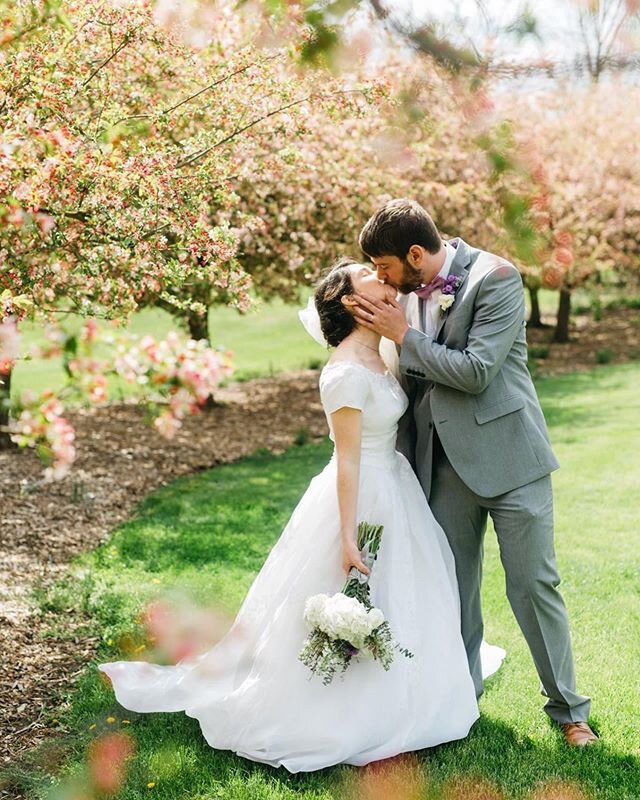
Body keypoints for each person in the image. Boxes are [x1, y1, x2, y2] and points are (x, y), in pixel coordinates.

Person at [99, 256, 493, 772]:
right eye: (369, 276)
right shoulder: (345, 373)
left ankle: (416, 690)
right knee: (355, 590)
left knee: (410, 591)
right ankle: (339, 705)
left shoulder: (385, 354)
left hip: (397, 489)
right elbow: (347, 460)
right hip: (361, 495)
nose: (384, 278)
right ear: (352, 303)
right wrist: (348, 539)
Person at [352, 198, 596, 747]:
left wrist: (404, 337)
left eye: (386, 267)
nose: (380, 278)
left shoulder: (499, 278)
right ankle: (460, 702)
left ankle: (569, 711)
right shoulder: (404, 298)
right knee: (452, 589)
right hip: (441, 466)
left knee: (534, 585)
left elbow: (478, 372)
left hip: (512, 461)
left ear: (416, 253)